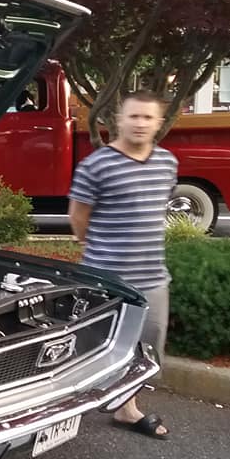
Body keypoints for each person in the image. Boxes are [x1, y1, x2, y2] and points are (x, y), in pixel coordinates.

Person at [68, 90, 177, 440]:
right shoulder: (96, 165)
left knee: (147, 349)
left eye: (148, 117)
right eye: (134, 116)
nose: (140, 123)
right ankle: (67, 407)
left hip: (153, 278)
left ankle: (127, 410)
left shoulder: (167, 163)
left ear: (159, 123)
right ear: (119, 120)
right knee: (94, 345)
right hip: (108, 279)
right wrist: (99, 250)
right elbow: (78, 217)